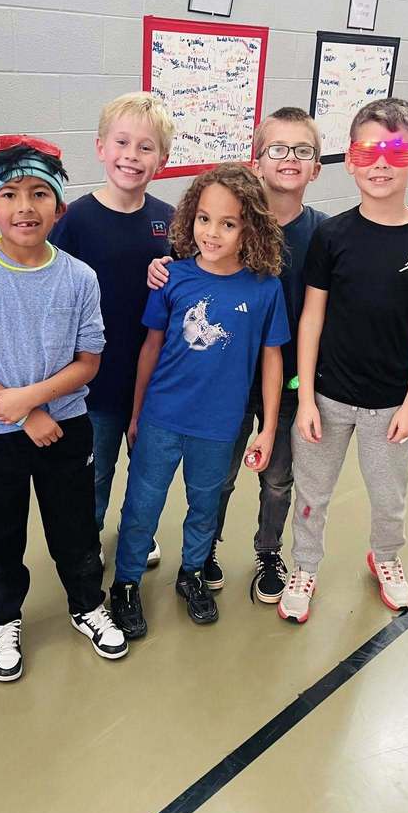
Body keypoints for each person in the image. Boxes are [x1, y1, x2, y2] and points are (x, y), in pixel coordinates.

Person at [147, 107, 408, 605]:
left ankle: (269, 551)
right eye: (277, 149)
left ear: (318, 167)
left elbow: (377, 249)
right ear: (256, 162)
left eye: (302, 151)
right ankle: (203, 550)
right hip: (224, 385)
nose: (289, 159)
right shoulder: (227, 227)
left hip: (295, 384)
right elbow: (191, 267)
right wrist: (161, 267)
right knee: (220, 476)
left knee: (279, 479)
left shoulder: (324, 232)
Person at [0, 135, 128, 681]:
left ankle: (88, 604)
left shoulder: (79, 278)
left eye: (40, 193)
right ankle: (2, 617)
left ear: (59, 206)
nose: (26, 207)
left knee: (74, 527)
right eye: (12, 194)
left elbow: (88, 361)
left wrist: (36, 402)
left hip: (65, 430)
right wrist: (23, 412)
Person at [283, 98, 408, 625]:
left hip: (389, 405)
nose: (381, 164)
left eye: (396, 151)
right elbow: (311, 318)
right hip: (327, 397)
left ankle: (386, 557)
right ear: (350, 160)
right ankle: (303, 567)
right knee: (312, 493)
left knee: (389, 496)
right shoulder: (332, 236)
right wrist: (305, 397)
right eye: (369, 150)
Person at [109, 163, 290, 639]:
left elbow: (272, 360)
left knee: (205, 505)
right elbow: (151, 348)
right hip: (162, 417)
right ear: (190, 217)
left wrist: (269, 428)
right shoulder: (172, 277)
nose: (212, 233)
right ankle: (125, 583)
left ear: (248, 227)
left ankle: (192, 573)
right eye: (204, 219)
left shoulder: (265, 287)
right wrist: (136, 411)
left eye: (228, 223)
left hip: (219, 425)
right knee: (141, 504)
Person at [50, 92, 176, 567]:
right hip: (94, 381)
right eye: (122, 142)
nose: (132, 156)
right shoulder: (75, 220)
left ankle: (137, 530)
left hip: (153, 376)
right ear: (100, 147)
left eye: (146, 147)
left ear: (162, 159)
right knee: (97, 470)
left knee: (147, 469)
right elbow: (54, 296)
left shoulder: (170, 220)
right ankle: (88, 538)